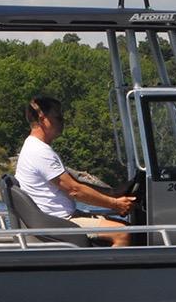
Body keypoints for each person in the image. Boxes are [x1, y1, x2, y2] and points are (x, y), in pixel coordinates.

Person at [15, 96, 135, 247]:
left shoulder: (35, 147)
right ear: (42, 119)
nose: (62, 121)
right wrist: (115, 204)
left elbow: (76, 185)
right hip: (58, 222)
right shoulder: (39, 151)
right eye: (58, 117)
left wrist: (113, 195)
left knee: (122, 224)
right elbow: (74, 190)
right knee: (122, 232)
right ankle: (110, 271)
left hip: (58, 218)